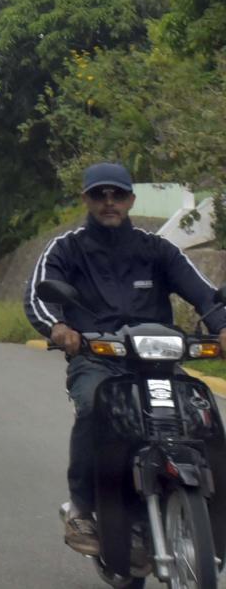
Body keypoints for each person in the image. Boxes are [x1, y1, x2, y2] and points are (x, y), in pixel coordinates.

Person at [24, 161, 226, 558]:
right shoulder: (67, 247)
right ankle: (82, 509)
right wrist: (58, 329)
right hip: (98, 360)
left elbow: (203, 294)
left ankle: (213, 508)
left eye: (117, 194)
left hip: (159, 362)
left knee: (200, 415)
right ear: (86, 199)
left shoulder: (158, 250)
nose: (109, 202)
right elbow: (38, 296)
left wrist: (222, 327)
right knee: (92, 406)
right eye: (100, 194)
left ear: (131, 199)